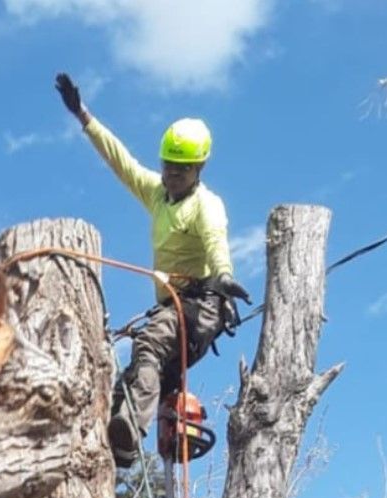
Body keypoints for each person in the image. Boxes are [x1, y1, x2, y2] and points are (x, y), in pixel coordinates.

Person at [55, 72, 251, 467]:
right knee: (136, 371)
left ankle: (128, 431)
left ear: (199, 169)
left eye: (181, 170)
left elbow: (215, 239)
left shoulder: (205, 205)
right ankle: (114, 438)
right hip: (171, 306)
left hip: (201, 303)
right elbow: (121, 161)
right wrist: (84, 116)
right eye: (168, 166)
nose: (171, 175)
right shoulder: (158, 194)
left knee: (149, 346)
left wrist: (224, 275)